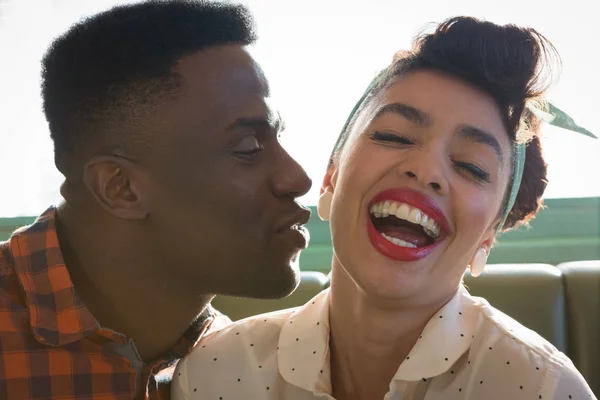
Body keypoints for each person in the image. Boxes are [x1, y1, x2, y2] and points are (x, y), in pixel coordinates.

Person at [172, 17, 596, 400]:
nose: (425, 169)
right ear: (331, 178)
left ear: (487, 237)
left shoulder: (545, 389)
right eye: (394, 136)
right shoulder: (212, 374)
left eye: (469, 165)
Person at [0, 1, 312, 399]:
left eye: (277, 138)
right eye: (249, 146)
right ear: (121, 188)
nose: (298, 178)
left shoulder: (239, 366)